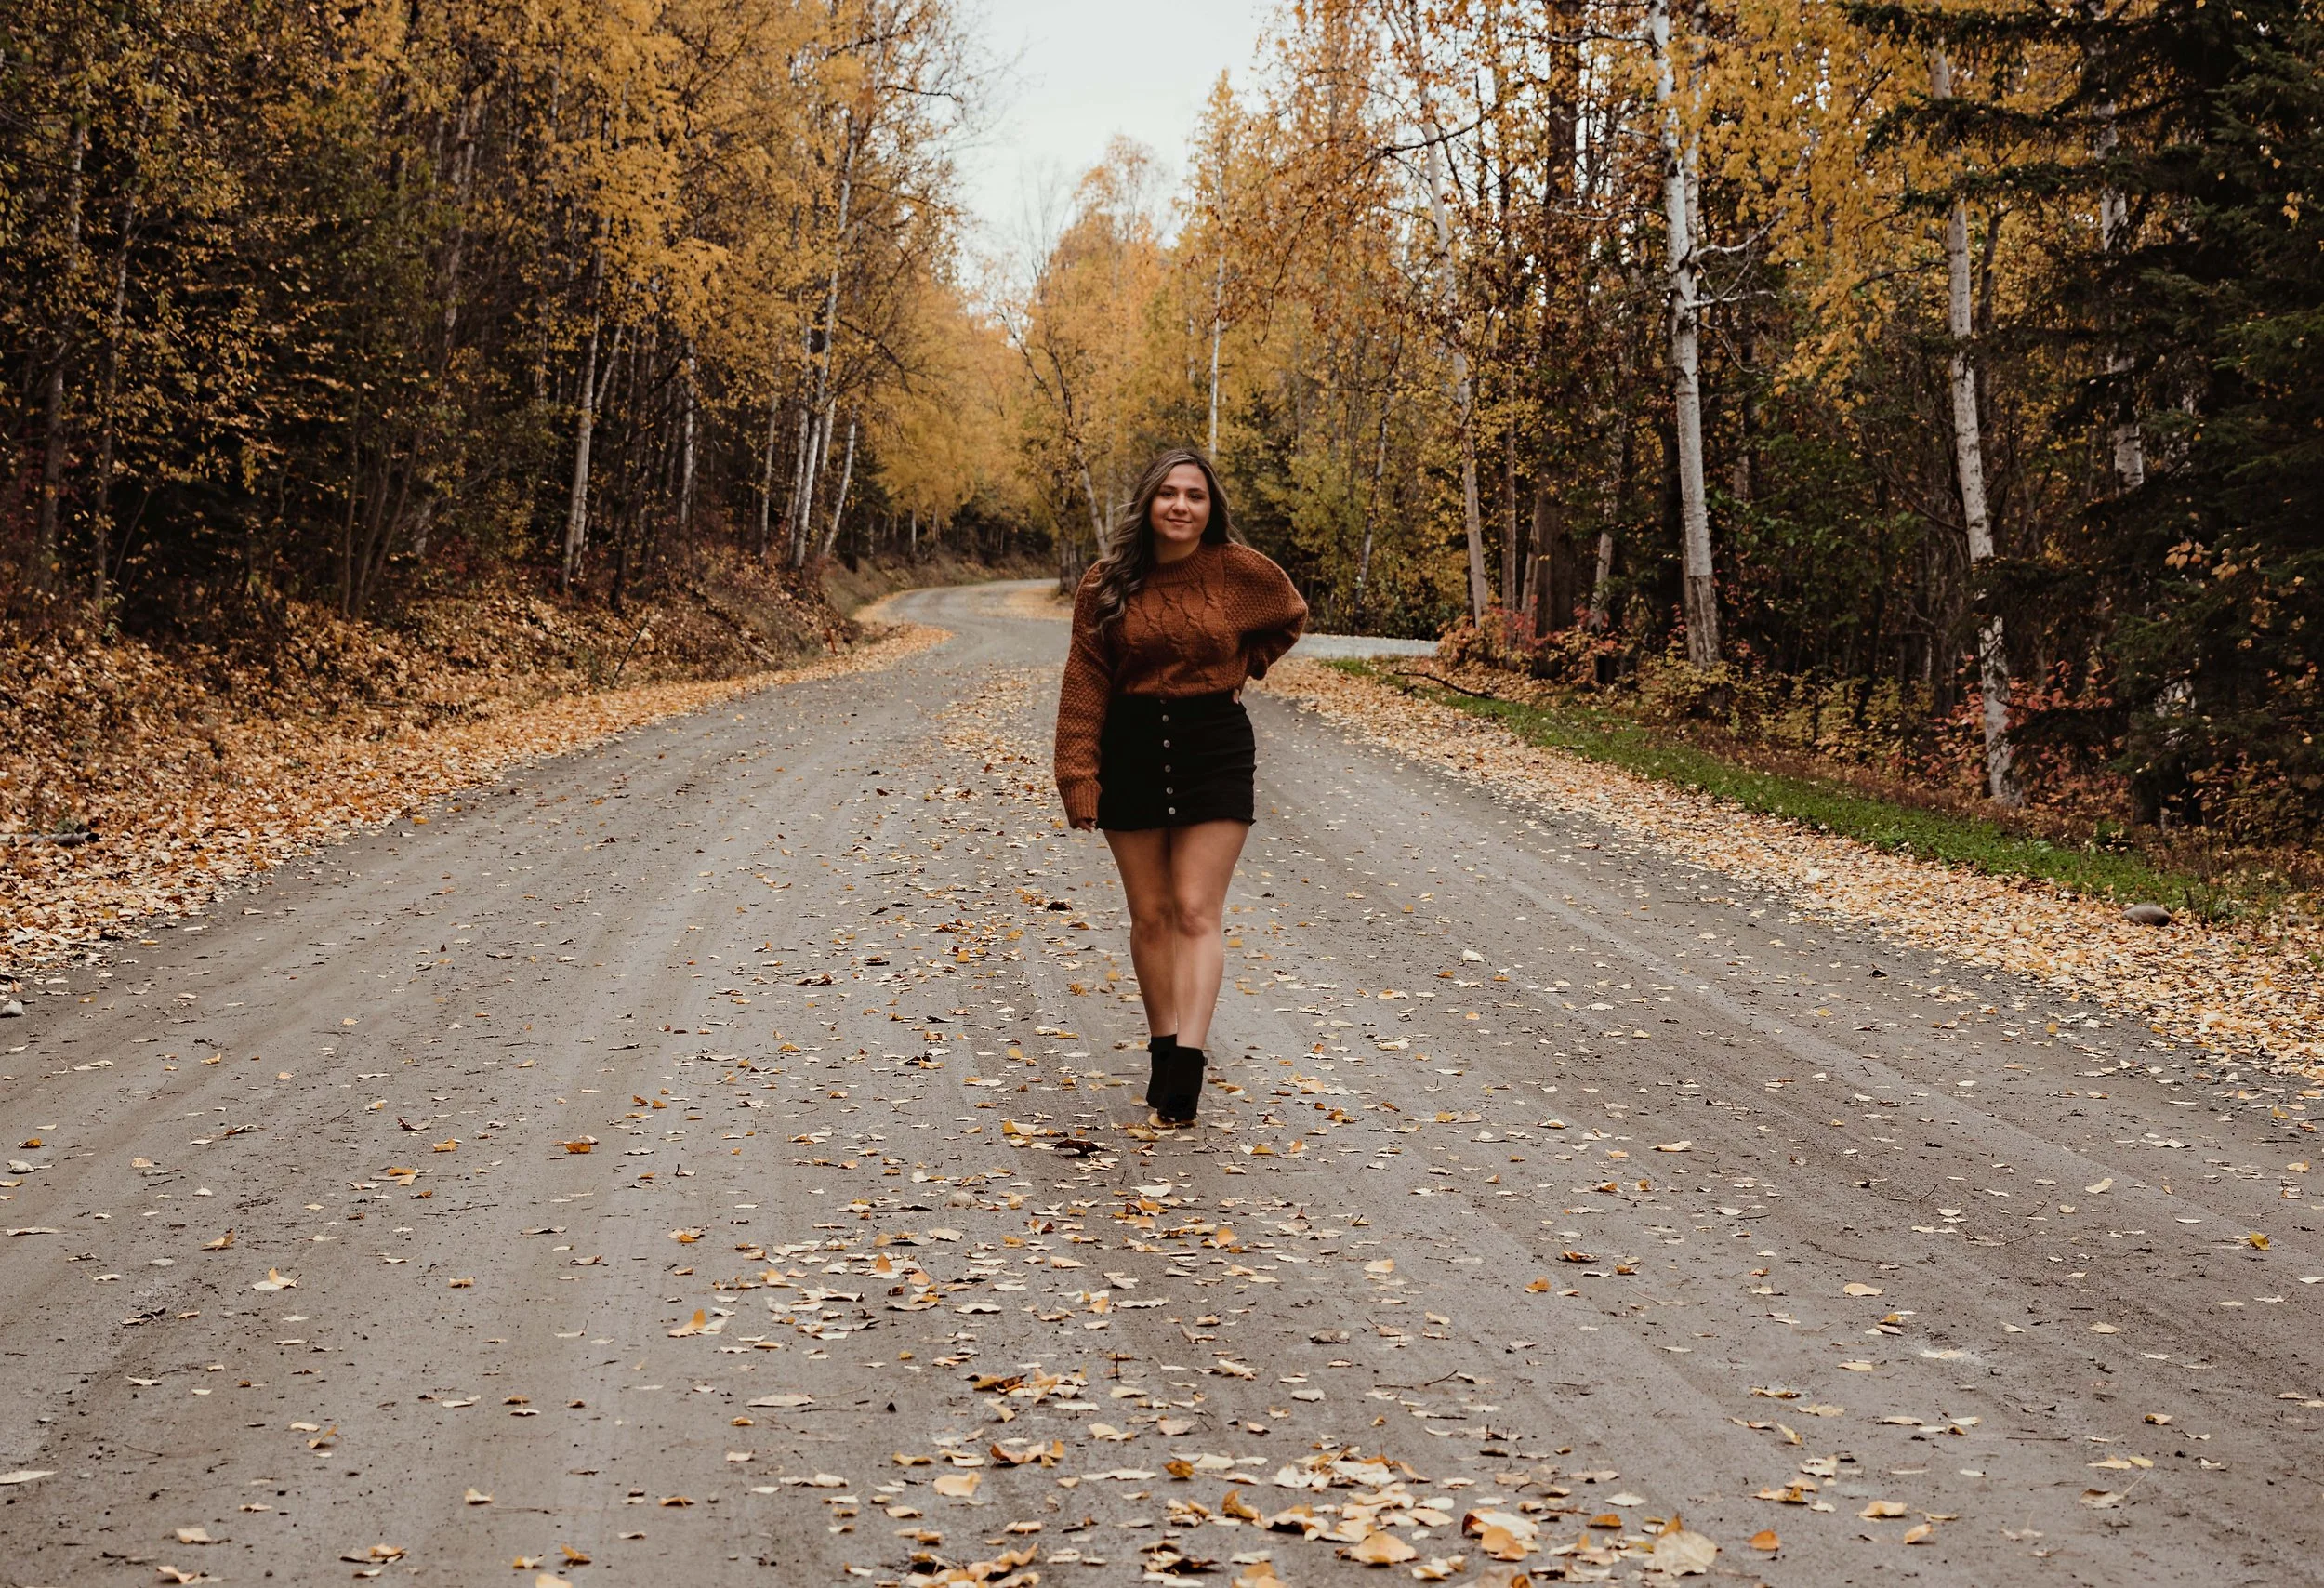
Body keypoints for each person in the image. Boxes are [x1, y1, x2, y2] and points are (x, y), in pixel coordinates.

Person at [1053, 448, 1307, 1126]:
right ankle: (1163, 1044)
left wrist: (1245, 659)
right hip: (1130, 746)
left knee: (1197, 909)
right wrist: (1077, 774)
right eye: (1168, 493)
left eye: (1194, 495)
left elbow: (1289, 613)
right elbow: (1084, 682)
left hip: (1213, 747)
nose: (1181, 506)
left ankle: (1188, 1064)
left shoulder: (1238, 571)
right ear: (1148, 502)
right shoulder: (1107, 583)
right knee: (1151, 915)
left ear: (1210, 507)